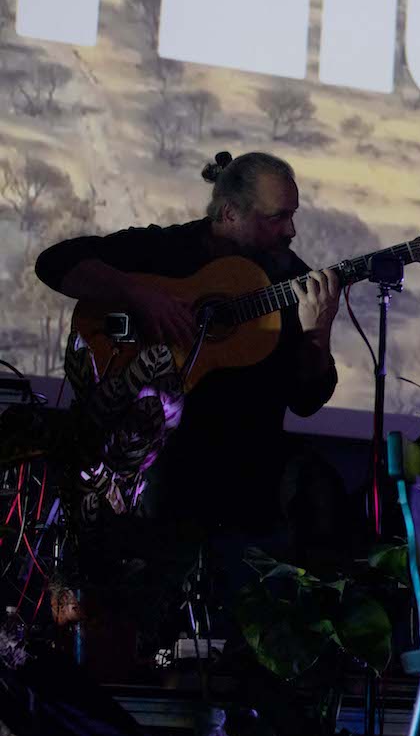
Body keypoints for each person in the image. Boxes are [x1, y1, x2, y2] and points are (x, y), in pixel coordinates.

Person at [34, 151, 346, 582]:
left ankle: (304, 630)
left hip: (250, 453)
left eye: (292, 216)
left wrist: (317, 335)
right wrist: (138, 294)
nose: (290, 231)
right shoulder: (165, 251)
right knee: (160, 492)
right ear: (229, 213)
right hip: (164, 450)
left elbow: (308, 401)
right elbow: (55, 262)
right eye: (277, 217)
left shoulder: (293, 283)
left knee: (316, 484)